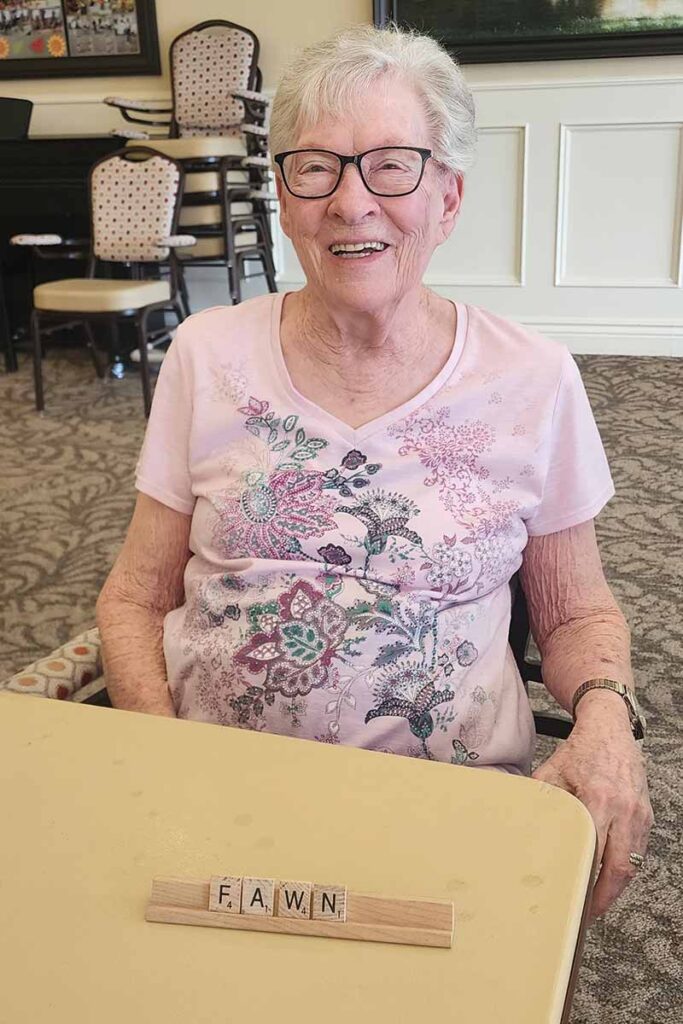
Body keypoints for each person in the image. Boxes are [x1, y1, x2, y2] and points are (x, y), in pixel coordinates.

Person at [97, 24, 653, 919]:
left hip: (442, 812)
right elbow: (133, 597)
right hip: (213, 798)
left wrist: (605, 720)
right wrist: (159, 758)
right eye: (315, 168)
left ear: (447, 197)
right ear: (285, 199)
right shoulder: (206, 354)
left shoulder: (533, 379)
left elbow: (576, 612)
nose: (351, 203)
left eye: (391, 166)